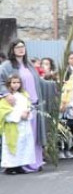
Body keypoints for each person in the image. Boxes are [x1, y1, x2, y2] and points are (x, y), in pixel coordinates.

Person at [0, 40, 50, 172]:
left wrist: (55, 83)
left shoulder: (28, 65)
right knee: (20, 136)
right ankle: (18, 165)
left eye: (22, 46)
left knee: (32, 136)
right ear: (12, 49)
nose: (21, 49)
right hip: (17, 106)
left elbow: (39, 82)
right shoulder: (7, 65)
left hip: (33, 105)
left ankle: (34, 162)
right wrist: (6, 94)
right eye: (17, 47)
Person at [0, 74, 36, 174]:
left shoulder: (24, 95)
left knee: (23, 146)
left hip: (24, 125)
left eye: (18, 82)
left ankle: (20, 165)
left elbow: (29, 106)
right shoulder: (6, 97)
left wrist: (27, 113)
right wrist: (19, 115)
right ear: (9, 84)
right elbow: (4, 111)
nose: (16, 85)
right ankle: (10, 167)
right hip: (13, 125)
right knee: (12, 146)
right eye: (14, 83)